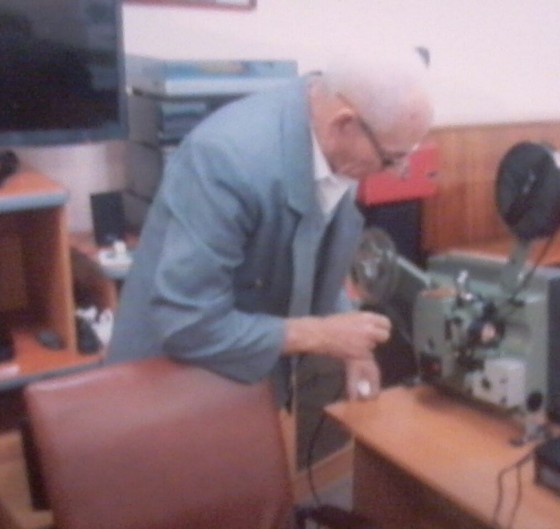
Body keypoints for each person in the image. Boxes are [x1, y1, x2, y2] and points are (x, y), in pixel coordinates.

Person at [107, 49, 434, 407]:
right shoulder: (227, 160)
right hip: (167, 392)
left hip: (243, 373)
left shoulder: (337, 144)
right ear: (344, 125)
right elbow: (185, 323)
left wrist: (351, 342)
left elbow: (316, 257)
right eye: (391, 159)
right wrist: (320, 334)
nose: (396, 172)